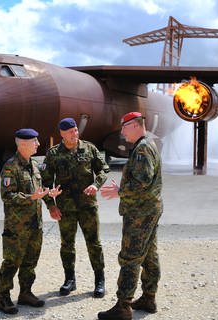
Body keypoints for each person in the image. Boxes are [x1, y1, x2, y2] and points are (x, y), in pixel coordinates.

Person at [97, 112, 163, 320]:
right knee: (149, 254)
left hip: (140, 214)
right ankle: (149, 298)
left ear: (135, 125)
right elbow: (142, 181)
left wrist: (120, 192)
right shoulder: (146, 144)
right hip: (148, 210)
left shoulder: (142, 148)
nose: (122, 132)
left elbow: (143, 181)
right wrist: (122, 187)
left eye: (124, 127)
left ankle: (123, 306)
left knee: (130, 257)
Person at [41, 117, 110, 298]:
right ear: (62, 134)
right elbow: (46, 182)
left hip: (88, 206)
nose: (75, 134)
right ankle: (69, 280)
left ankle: (99, 281)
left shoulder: (89, 148)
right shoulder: (53, 154)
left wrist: (96, 184)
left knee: (94, 243)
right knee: (67, 244)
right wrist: (51, 206)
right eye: (71, 132)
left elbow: (104, 169)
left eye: (76, 131)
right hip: (65, 208)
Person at [0, 128, 62, 315]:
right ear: (23, 144)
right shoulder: (11, 167)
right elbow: (7, 196)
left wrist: (50, 200)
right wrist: (30, 197)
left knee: (30, 261)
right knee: (12, 261)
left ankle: (25, 292)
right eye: (35, 141)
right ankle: (3, 298)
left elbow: (40, 190)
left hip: (35, 224)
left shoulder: (33, 165)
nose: (38, 144)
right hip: (17, 227)